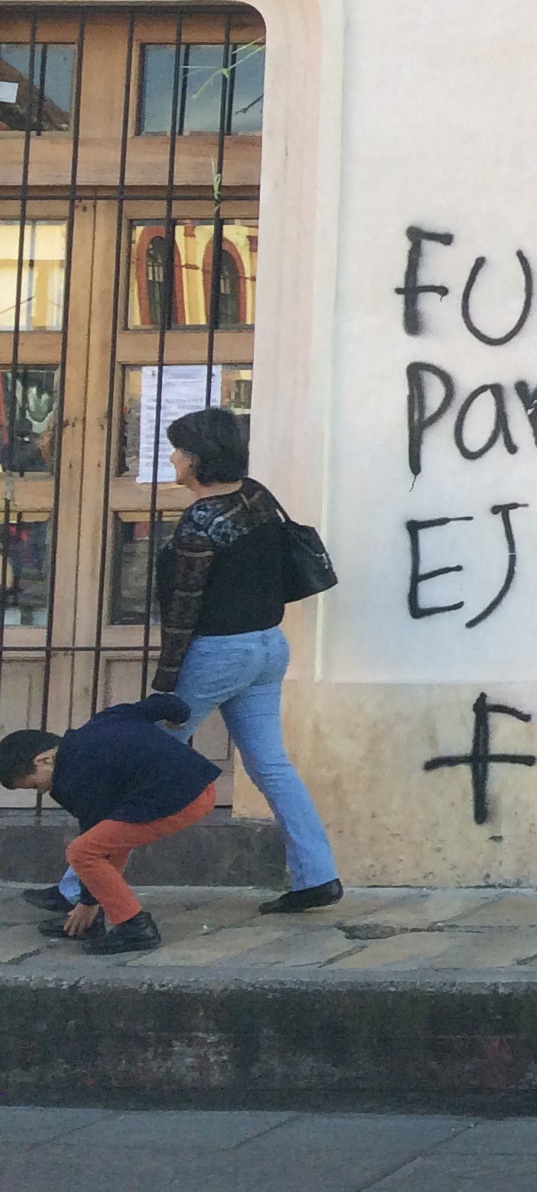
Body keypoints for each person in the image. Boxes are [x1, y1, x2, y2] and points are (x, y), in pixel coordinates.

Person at [17, 405, 340, 921]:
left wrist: (165, 683)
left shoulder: (200, 522)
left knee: (134, 761)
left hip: (217, 653)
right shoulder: (256, 496)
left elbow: (183, 610)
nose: (171, 458)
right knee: (270, 765)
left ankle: (79, 887)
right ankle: (318, 876)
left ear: (197, 460)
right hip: (266, 646)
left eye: (178, 450)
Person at [1, 696, 220, 954]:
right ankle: (97, 918)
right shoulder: (105, 720)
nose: (41, 791)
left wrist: (87, 902)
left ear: (45, 760)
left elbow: (93, 837)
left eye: (34, 785)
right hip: (200, 784)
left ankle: (134, 927)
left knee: (82, 852)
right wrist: (178, 716)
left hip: (179, 800)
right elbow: (165, 705)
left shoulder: (73, 779)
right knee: (106, 841)